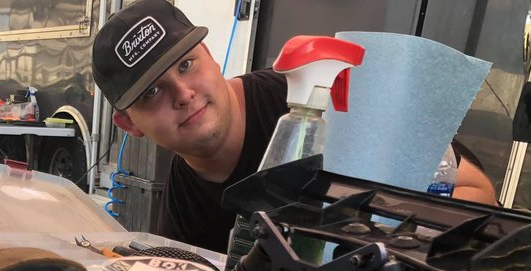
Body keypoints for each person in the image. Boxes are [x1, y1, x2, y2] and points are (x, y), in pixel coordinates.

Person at [91, 0, 498, 253]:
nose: (183, 93)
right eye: (152, 92)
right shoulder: (184, 200)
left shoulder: (319, 101)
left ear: (211, 56)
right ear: (129, 124)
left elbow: (478, 196)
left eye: (186, 64)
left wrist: (378, 244)